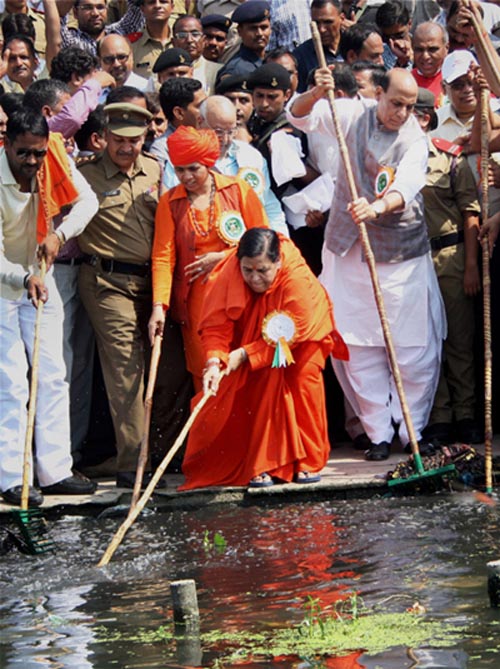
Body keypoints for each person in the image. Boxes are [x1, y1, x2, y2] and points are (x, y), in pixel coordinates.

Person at [288, 67, 446, 461]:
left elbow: (406, 187)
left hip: (400, 255)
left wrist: (375, 207)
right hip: (349, 252)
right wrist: (315, 91)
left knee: (412, 350)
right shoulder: (349, 113)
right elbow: (298, 115)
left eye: (409, 107)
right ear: (378, 94)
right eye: (395, 103)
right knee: (359, 346)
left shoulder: (415, 140)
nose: (401, 113)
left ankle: (412, 431)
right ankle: (377, 432)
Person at [177, 228, 348, 490]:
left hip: (303, 339)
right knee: (257, 385)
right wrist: (213, 361)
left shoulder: (297, 279)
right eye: (248, 271)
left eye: (263, 271)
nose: (254, 279)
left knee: (302, 385)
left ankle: (308, 460)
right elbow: (215, 325)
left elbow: (298, 329)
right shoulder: (230, 270)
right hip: (257, 336)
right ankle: (263, 462)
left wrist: (246, 354)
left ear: (278, 262)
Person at [0, 108, 98, 505]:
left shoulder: (52, 157)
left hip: (39, 274)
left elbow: (87, 202)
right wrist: (24, 280)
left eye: (38, 154)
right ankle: (10, 477)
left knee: (54, 373)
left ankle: (55, 470)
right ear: (6, 145)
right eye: (24, 153)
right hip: (6, 284)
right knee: (11, 381)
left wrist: (59, 234)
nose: (32, 162)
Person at [77, 101, 163, 489]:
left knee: (169, 366)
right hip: (107, 283)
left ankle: (159, 452)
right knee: (127, 370)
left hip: (155, 283)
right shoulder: (84, 175)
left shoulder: (156, 171)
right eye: (118, 140)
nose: (127, 148)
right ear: (104, 137)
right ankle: (133, 464)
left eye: (135, 140)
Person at [149, 125, 270, 391]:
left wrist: (224, 258)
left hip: (242, 298)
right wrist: (160, 305)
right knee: (206, 373)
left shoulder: (238, 190)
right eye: (180, 170)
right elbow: (163, 257)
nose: (187, 177)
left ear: (209, 162)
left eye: (194, 168)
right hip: (197, 306)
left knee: (242, 370)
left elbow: (266, 242)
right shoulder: (170, 202)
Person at [413, 88, 482, 445]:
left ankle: (466, 413)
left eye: (414, 113)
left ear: (425, 117)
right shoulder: (388, 160)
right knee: (426, 342)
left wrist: (471, 265)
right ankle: (438, 416)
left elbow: (470, 212)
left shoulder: (448, 157)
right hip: (411, 261)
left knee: (458, 337)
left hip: (450, 256)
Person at [293, 0, 343, 93]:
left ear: (342, 19)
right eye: (316, 23)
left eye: (328, 22)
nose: (322, 29)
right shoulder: (300, 56)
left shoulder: (355, 46)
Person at [216, 0, 272, 81]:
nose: (259, 33)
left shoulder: (271, 60)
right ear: (240, 31)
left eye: (264, 27)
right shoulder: (236, 70)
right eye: (253, 28)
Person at [130, 0, 173, 80]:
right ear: (142, 9)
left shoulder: (182, 40)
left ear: (172, 7)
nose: (157, 6)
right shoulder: (130, 45)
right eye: (151, 2)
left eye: (163, 2)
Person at [411, 22, 448, 107]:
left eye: (432, 49)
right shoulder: (405, 82)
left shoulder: (455, 81)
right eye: (419, 50)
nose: (425, 56)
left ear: (446, 48)